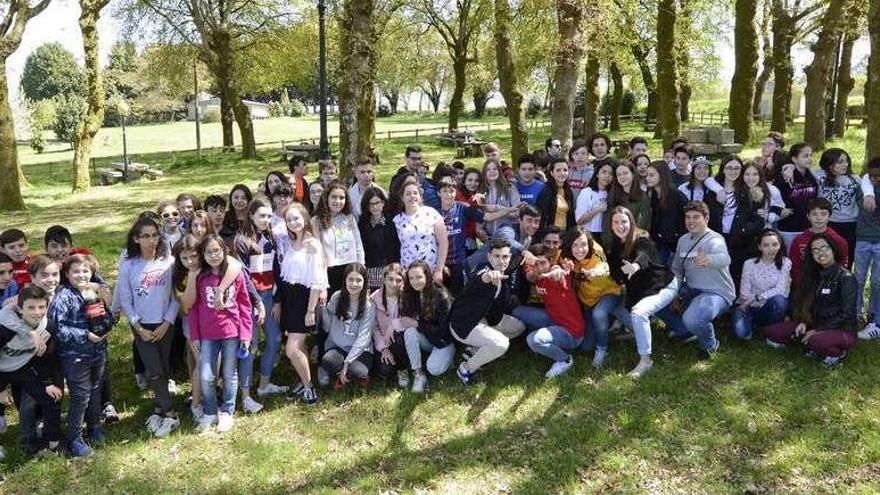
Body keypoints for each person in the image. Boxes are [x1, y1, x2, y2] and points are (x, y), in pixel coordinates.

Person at [115, 216, 181, 437]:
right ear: (136, 239)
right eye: (145, 236)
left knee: (163, 367)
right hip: (141, 325)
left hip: (165, 325)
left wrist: (166, 323)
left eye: (154, 235)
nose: (151, 240)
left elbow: (175, 298)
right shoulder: (129, 265)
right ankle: (171, 412)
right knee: (153, 371)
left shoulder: (168, 263)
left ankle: (159, 407)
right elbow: (125, 299)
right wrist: (138, 327)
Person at [50, 254, 115, 456]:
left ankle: (94, 427)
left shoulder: (92, 292)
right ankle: (74, 438)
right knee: (80, 396)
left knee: (95, 389)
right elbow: (57, 327)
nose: (81, 275)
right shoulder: (64, 296)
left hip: (98, 352)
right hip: (75, 356)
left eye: (85, 271)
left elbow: (107, 314)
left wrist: (109, 323)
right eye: (76, 271)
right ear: (67, 274)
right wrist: (85, 335)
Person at [188, 234, 253, 432]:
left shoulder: (235, 275)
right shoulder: (201, 277)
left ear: (224, 251)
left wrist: (246, 335)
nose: (214, 255)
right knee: (207, 374)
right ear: (203, 255)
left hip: (231, 333)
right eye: (208, 252)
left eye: (217, 250)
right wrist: (195, 335)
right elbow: (194, 308)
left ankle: (227, 411)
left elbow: (245, 305)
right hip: (207, 335)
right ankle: (209, 412)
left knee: (228, 373)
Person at [764, 233, 857, 366]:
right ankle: (814, 343)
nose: (820, 253)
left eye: (824, 248)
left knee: (815, 341)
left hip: (841, 329)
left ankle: (836, 353)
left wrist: (818, 330)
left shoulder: (846, 278)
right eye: (815, 250)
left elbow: (846, 314)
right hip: (816, 324)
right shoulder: (815, 275)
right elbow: (808, 305)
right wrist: (804, 322)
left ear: (833, 249)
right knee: (772, 331)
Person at [658, 201, 736, 360]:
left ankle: (710, 344)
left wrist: (708, 259)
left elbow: (724, 258)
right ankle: (685, 331)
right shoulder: (683, 240)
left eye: (696, 217)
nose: (691, 221)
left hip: (716, 293)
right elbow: (677, 270)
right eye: (688, 217)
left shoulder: (715, 239)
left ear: (706, 218)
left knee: (693, 319)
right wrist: (673, 293)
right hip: (690, 290)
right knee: (655, 300)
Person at [607, 206, 677, 377]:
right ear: (611, 225)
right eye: (615, 222)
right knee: (683, 329)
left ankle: (645, 361)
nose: (620, 225)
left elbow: (643, 256)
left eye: (624, 221)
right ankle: (677, 330)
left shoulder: (642, 239)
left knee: (639, 313)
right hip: (642, 290)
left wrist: (635, 265)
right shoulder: (616, 246)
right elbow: (615, 273)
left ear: (631, 222)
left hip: (662, 286)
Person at [234, 198, 286, 413]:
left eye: (268, 216)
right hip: (249, 300)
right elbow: (244, 276)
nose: (265, 220)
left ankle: (264, 385)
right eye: (261, 215)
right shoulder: (242, 241)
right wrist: (257, 303)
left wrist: (277, 300)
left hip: (269, 297)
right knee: (251, 347)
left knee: (274, 339)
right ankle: (245, 395)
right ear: (251, 216)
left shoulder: (271, 238)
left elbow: (277, 270)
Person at [449, 239, 525, 385]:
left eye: (504, 257)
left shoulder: (505, 276)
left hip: (487, 320)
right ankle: (466, 368)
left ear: (509, 258)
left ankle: (473, 350)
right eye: (496, 256)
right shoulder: (483, 269)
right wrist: (489, 277)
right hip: (465, 324)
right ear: (489, 257)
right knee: (501, 344)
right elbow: (481, 277)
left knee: (519, 327)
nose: (501, 261)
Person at [0, 286, 63, 457]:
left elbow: (40, 358)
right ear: (20, 309)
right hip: (1, 370)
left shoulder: (47, 326)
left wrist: (48, 383)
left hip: (21, 369)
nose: (37, 312)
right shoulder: (5, 329)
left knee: (51, 399)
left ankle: (52, 443)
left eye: (41, 307)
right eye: (31, 307)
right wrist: (1, 389)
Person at [275, 203, 327, 405]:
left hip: (304, 300)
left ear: (305, 218)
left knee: (291, 349)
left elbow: (316, 280)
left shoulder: (312, 244)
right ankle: (304, 379)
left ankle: (309, 388)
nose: (293, 222)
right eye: (289, 220)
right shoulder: (292, 242)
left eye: (296, 218)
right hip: (289, 298)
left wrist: (310, 310)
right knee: (300, 345)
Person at [563, 228, 628, 368]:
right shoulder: (566, 256)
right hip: (588, 301)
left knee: (599, 313)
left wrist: (595, 272)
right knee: (586, 346)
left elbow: (603, 266)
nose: (580, 249)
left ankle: (602, 351)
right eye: (575, 245)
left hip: (609, 292)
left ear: (589, 243)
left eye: (583, 244)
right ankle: (619, 321)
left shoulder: (596, 252)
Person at [523, 245, 584, 378]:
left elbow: (560, 274)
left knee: (533, 340)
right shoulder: (535, 273)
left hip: (571, 333)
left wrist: (558, 271)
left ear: (551, 262)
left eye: (543, 263)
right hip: (553, 320)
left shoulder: (557, 274)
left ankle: (564, 359)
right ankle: (546, 344)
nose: (540, 267)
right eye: (536, 264)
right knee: (517, 312)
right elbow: (529, 273)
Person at [706, 155, 764, 289]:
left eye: (737, 168)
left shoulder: (749, 192)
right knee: (717, 277)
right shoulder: (713, 191)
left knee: (735, 277)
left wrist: (743, 230)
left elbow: (759, 221)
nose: (733, 171)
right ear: (723, 170)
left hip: (740, 242)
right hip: (717, 240)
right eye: (729, 168)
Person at [398, 261, 455, 392]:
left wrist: (417, 324)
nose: (415, 281)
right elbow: (405, 319)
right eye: (411, 278)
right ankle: (418, 374)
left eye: (419, 277)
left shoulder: (441, 296)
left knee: (434, 369)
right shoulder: (412, 294)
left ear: (427, 276)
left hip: (443, 342)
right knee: (409, 332)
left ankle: (450, 358)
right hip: (428, 338)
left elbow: (443, 331)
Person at [318, 263, 375, 389]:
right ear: (345, 280)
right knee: (328, 361)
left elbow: (364, 338)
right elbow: (326, 324)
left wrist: (347, 363)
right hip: (337, 346)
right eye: (351, 279)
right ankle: (328, 369)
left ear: (364, 282)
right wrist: (321, 305)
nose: (354, 284)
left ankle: (346, 374)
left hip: (360, 350)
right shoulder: (336, 297)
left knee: (356, 371)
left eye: (358, 280)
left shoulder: (369, 305)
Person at [730, 229, 791, 340]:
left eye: (775, 245)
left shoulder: (785, 262)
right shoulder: (749, 264)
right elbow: (744, 293)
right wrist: (754, 301)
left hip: (769, 306)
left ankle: (770, 329)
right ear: (759, 247)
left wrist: (757, 297)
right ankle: (752, 323)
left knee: (779, 301)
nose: (771, 249)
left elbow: (781, 290)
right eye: (766, 245)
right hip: (748, 307)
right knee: (742, 335)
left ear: (780, 245)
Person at [438, 178, 495, 296]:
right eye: (444, 191)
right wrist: (440, 265)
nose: (448, 194)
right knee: (441, 295)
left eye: (451, 191)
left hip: (459, 261)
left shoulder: (463, 208)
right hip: (440, 262)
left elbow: (487, 217)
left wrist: (509, 210)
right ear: (439, 193)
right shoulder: (434, 213)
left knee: (458, 294)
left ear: (456, 192)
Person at [311, 182, 365, 296]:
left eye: (342, 198)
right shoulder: (317, 220)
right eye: (334, 197)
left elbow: (358, 245)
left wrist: (361, 268)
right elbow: (317, 254)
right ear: (327, 198)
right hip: (329, 271)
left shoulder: (349, 218)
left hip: (350, 270)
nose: (338, 201)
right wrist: (322, 283)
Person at [393, 182, 449, 284]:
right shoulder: (397, 220)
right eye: (408, 193)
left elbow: (443, 243)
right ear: (402, 197)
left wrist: (439, 270)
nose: (412, 196)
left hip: (430, 271)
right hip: (408, 274)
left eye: (415, 193)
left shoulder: (431, 213)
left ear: (420, 195)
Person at [814, 148, 860, 266]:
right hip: (827, 224)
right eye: (840, 162)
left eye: (846, 161)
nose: (845, 165)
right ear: (829, 164)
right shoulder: (819, 176)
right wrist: (790, 166)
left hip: (850, 225)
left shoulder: (855, 180)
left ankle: (845, 282)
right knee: (825, 258)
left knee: (847, 259)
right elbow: (801, 169)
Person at [790, 198, 849, 282]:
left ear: (829, 216)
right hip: (805, 284)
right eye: (814, 214)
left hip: (830, 284)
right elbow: (794, 267)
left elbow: (842, 266)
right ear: (808, 216)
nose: (819, 218)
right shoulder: (799, 241)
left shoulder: (839, 241)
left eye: (823, 214)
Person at [371, 264, 410, 387]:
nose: (394, 284)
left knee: (398, 339)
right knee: (384, 370)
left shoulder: (407, 297)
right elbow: (374, 328)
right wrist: (384, 348)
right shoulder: (374, 299)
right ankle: (395, 363)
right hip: (383, 341)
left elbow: (412, 319)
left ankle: (402, 368)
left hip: (402, 339)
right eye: (390, 279)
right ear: (384, 279)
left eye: (398, 280)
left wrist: (395, 324)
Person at [775, 143, 818, 250]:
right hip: (788, 228)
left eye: (810, 155)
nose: (810, 159)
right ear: (794, 158)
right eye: (805, 156)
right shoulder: (785, 177)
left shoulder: (812, 176)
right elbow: (772, 198)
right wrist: (779, 210)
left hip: (808, 227)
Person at [855, 157, 880, 340]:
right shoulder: (863, 186)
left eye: (878, 176)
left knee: (878, 282)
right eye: (872, 176)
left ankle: (874, 318)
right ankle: (856, 315)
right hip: (862, 240)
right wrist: (868, 191)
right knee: (858, 279)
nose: (875, 179)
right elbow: (863, 178)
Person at [358, 187, 400, 291]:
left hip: (390, 270)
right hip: (370, 272)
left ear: (383, 203)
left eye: (377, 202)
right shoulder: (362, 225)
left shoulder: (391, 223)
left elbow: (396, 248)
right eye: (371, 204)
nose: (375, 207)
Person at [645, 161, 685, 265]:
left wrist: (676, 236)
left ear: (662, 176)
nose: (647, 178)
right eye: (647, 175)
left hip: (676, 245)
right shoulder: (653, 194)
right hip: (661, 242)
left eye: (651, 175)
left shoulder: (675, 195)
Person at [480, 160, 522, 245]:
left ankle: (523, 251)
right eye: (488, 170)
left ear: (499, 171)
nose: (492, 172)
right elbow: (480, 215)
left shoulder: (509, 188)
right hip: (489, 236)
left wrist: (497, 208)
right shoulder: (481, 191)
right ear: (484, 173)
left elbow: (517, 212)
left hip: (508, 233)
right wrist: (480, 230)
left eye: (495, 169)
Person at [609, 161, 650, 239]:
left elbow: (642, 223)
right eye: (619, 175)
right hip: (616, 238)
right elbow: (609, 220)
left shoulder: (643, 197)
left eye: (625, 173)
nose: (622, 177)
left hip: (636, 238)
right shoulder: (613, 195)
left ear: (633, 174)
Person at [576, 161, 615, 242]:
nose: (607, 176)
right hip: (588, 235)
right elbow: (579, 220)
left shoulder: (613, 194)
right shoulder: (587, 192)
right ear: (597, 174)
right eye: (604, 172)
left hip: (607, 236)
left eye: (611, 174)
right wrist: (597, 210)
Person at [536, 160, 576, 231]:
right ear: (552, 173)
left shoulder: (569, 191)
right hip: (550, 233)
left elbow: (571, 216)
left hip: (565, 233)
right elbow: (542, 215)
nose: (562, 173)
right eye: (558, 170)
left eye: (565, 170)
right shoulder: (546, 191)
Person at [457, 167, 484, 256]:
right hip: (459, 242)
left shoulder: (477, 198)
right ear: (464, 181)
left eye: (476, 181)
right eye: (470, 180)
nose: (473, 183)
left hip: (472, 240)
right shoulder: (457, 196)